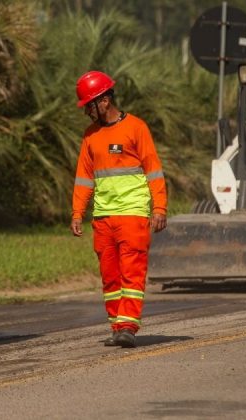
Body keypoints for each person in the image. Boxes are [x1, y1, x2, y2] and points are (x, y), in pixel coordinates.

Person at [70, 70, 167, 348]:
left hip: (133, 213)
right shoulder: (90, 136)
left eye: (89, 105)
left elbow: (153, 170)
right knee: (110, 276)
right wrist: (78, 212)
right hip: (103, 218)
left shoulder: (136, 128)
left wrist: (159, 206)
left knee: (131, 272)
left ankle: (127, 326)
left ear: (104, 101)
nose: (87, 111)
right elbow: (83, 177)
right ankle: (117, 325)